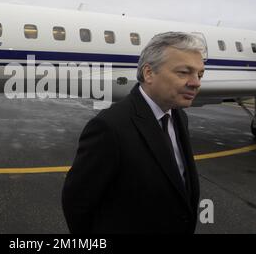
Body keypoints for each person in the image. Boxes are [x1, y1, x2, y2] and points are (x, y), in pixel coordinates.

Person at [62, 32, 206, 233]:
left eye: (200, 74)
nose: (196, 82)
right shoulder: (109, 127)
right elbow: (77, 203)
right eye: (184, 72)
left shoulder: (179, 116)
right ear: (149, 73)